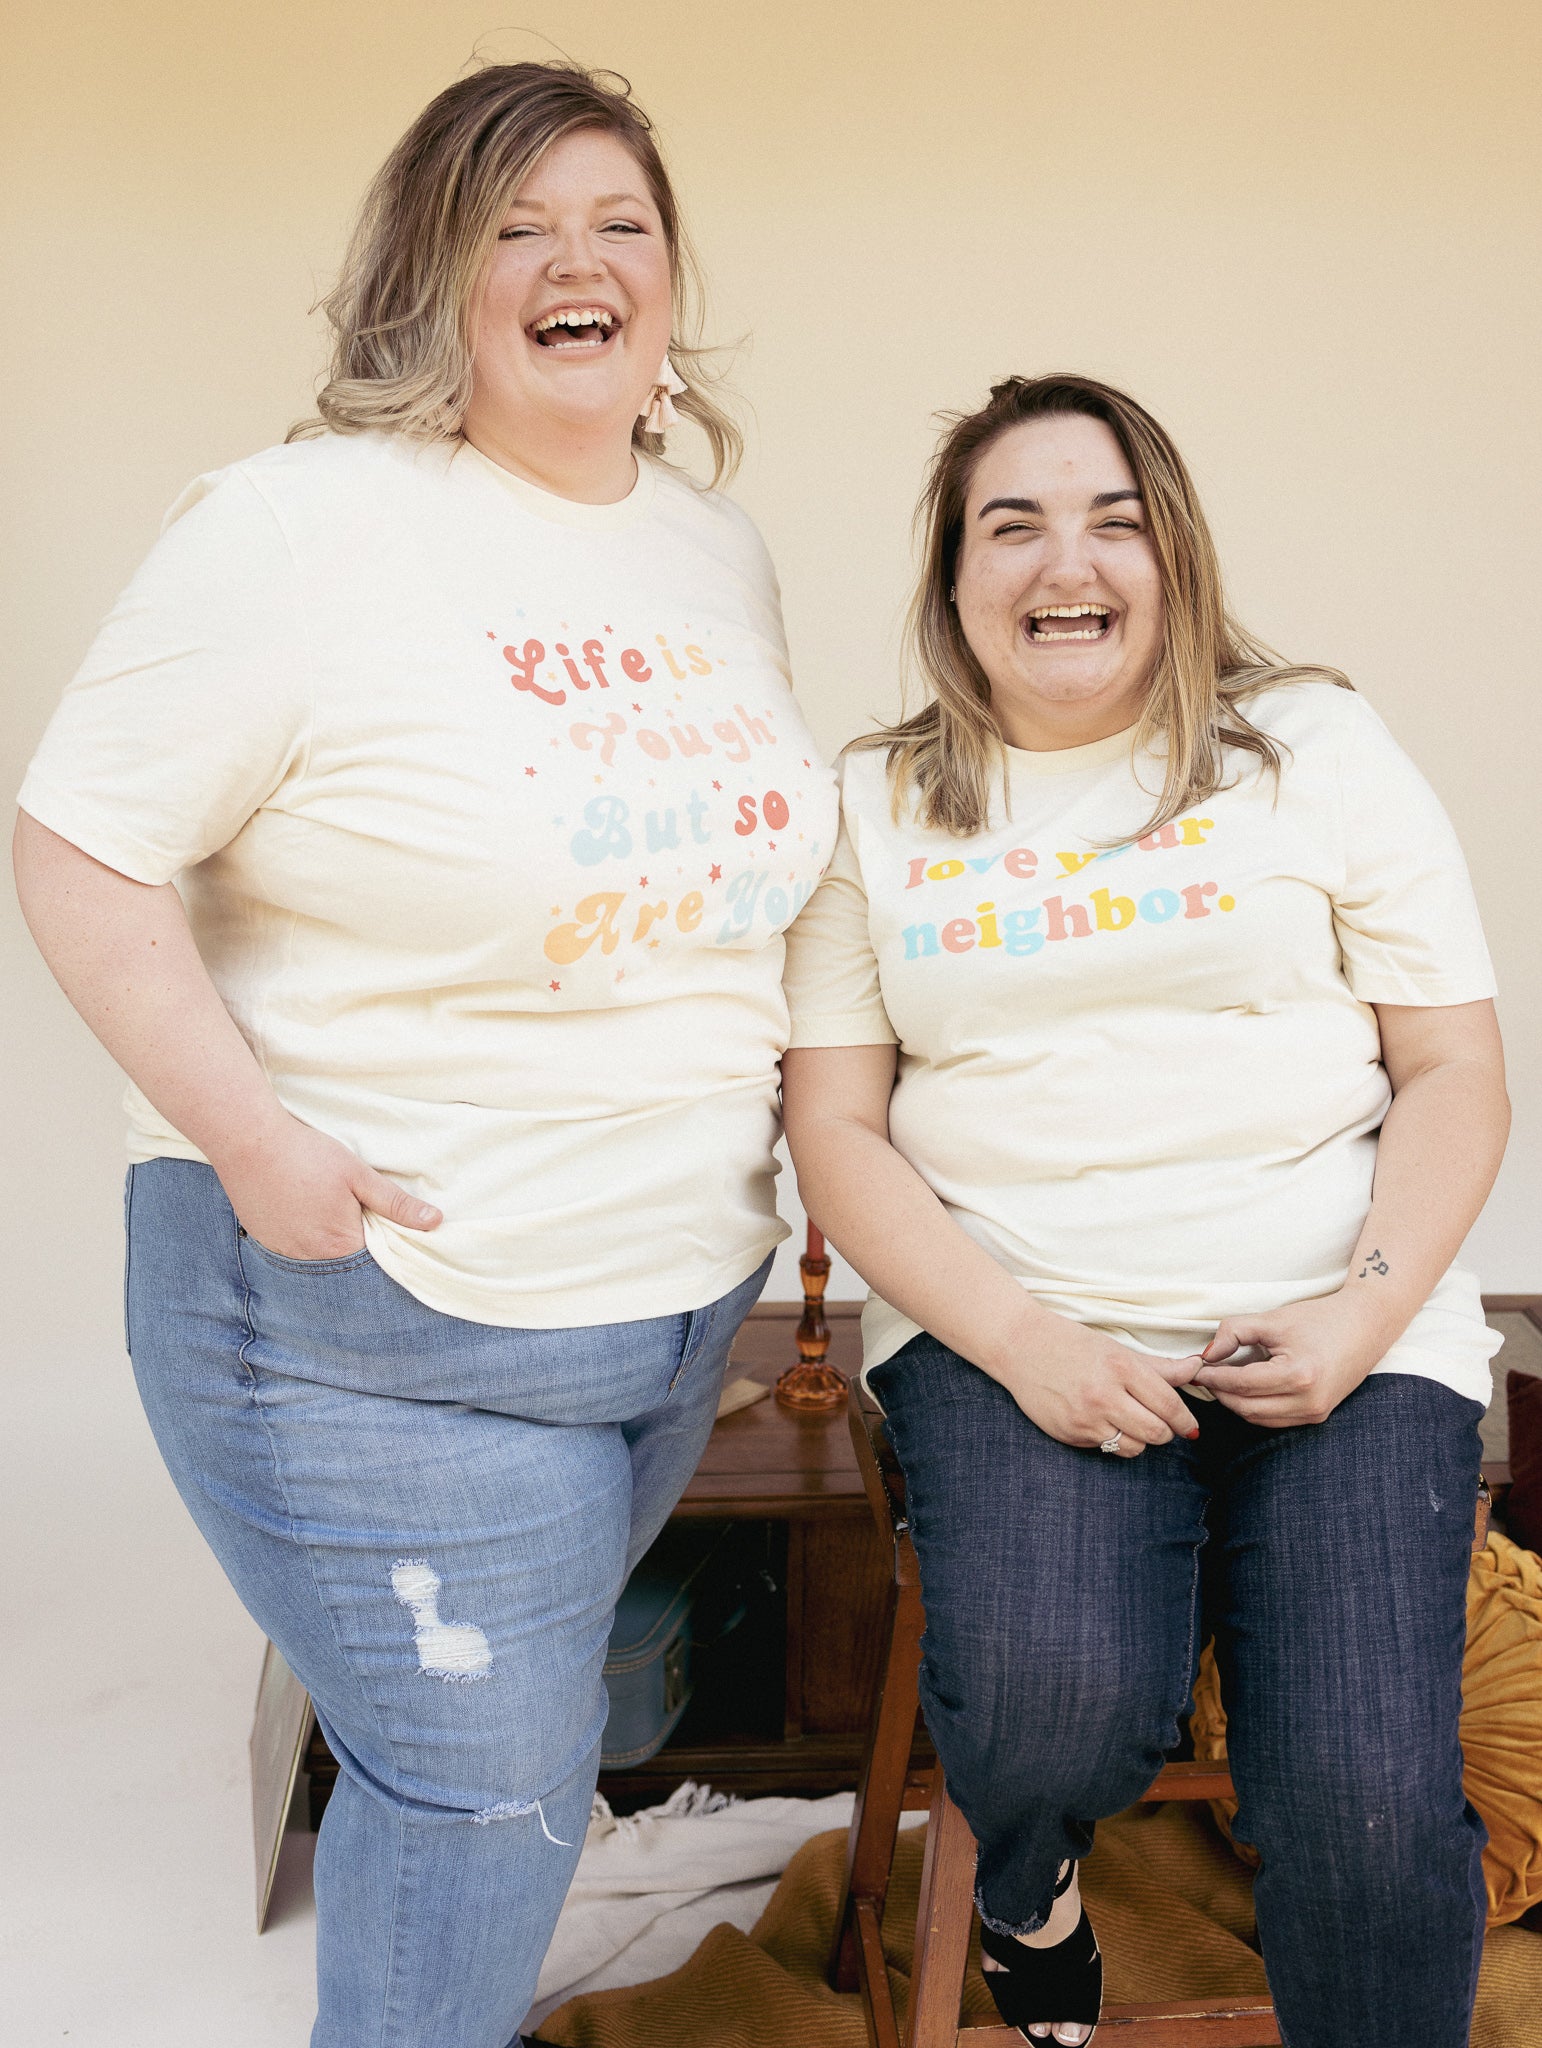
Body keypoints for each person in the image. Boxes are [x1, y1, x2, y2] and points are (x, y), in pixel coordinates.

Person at [14, 61, 834, 2048]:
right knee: (490, 1794)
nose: (576, 263)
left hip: (657, 1330)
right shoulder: (297, 532)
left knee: (519, 1781)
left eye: (618, 223)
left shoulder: (710, 551)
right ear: (428, 276)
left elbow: (734, 888)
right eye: (515, 225)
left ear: (668, 282)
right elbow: (77, 842)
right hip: (379, 1324)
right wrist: (259, 1144)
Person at [780, 372, 1507, 2048]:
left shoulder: (1311, 745)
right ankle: (1030, 1896)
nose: (1067, 560)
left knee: (1367, 1805)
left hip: (1342, 1321)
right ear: (952, 580)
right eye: (1010, 522)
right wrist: (1025, 1342)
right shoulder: (874, 806)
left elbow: (1455, 1073)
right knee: (1048, 1713)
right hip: (1014, 1321)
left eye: (1113, 519)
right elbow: (835, 1125)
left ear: (1171, 556)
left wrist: (1359, 1313)